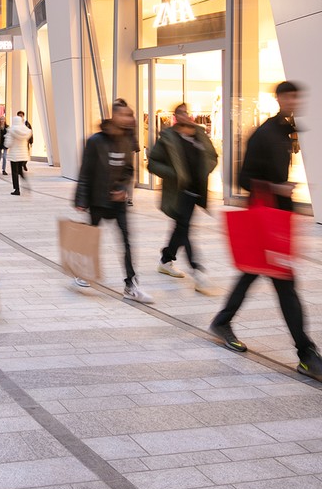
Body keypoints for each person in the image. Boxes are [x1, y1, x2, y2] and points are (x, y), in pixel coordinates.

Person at [209, 82, 322, 377]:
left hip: (277, 219)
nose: (294, 101)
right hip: (264, 219)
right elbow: (243, 178)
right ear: (279, 98)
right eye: (289, 96)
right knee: (284, 282)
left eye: (297, 96)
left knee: (251, 273)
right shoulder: (264, 133)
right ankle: (306, 353)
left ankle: (222, 321)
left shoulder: (286, 130)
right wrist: (278, 187)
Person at [75, 104, 154, 303]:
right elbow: (86, 171)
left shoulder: (128, 139)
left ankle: (131, 285)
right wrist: (81, 200)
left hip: (118, 203)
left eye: (131, 115)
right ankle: (82, 271)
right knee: (91, 238)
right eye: (125, 114)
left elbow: (128, 169)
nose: (129, 118)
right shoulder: (95, 141)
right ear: (114, 115)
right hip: (98, 200)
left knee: (126, 242)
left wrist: (123, 188)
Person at [146, 102, 217, 294]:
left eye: (188, 112)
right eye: (182, 113)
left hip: (196, 191)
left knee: (180, 229)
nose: (187, 116)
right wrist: (175, 174)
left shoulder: (199, 134)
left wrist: (205, 170)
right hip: (179, 192)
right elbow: (152, 163)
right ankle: (197, 270)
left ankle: (165, 260)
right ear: (176, 117)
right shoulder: (168, 138)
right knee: (185, 230)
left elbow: (213, 156)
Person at [6, 113, 31, 195]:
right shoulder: (25, 130)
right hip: (23, 154)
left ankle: (17, 189)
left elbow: (8, 144)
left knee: (14, 172)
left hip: (14, 155)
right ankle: (26, 182)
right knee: (20, 171)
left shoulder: (11, 130)